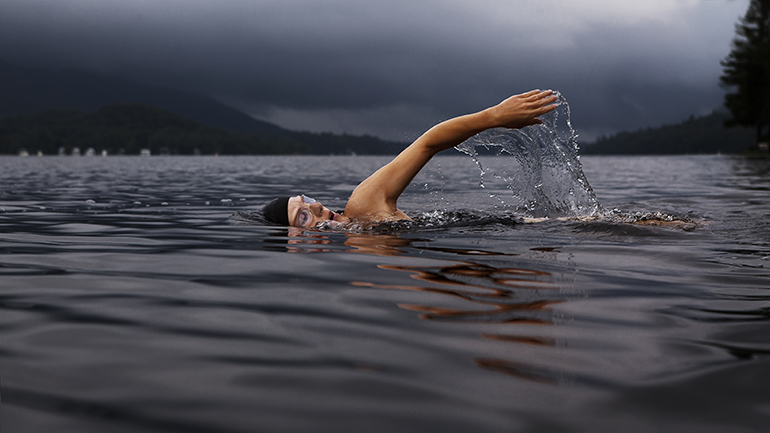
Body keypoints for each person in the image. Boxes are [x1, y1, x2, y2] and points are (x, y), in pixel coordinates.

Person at [262, 89, 558, 228]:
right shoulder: (359, 259)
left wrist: (494, 116)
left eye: (307, 200)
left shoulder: (363, 205)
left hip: (540, 227)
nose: (316, 206)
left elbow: (427, 144)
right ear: (295, 242)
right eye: (303, 216)